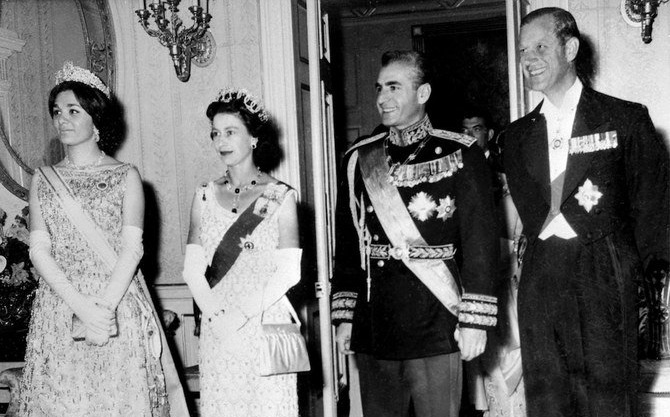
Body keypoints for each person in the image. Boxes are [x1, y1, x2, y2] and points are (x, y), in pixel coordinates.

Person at [504, 7, 669, 416]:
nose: (529, 59)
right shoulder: (516, 136)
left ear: (571, 47)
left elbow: (653, 206)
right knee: (547, 402)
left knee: (610, 404)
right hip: (541, 279)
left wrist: (637, 277)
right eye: (524, 50)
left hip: (605, 272)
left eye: (540, 46)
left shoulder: (624, 118)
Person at [331, 50, 499, 417]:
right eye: (379, 88)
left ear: (422, 94)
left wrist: (474, 321)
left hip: (436, 321)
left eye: (394, 87)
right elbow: (348, 247)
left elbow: (480, 244)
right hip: (377, 323)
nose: (381, 98)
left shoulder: (461, 154)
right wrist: (346, 317)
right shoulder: (359, 159)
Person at [20, 62, 187, 416]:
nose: (62, 119)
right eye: (57, 112)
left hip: (116, 304)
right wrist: (80, 307)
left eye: (73, 111)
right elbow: (39, 249)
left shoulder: (126, 176)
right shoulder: (43, 179)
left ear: (96, 119)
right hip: (61, 306)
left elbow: (132, 249)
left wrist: (103, 309)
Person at [182, 88, 302, 417]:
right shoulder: (204, 196)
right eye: (215, 133)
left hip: (263, 321)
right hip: (218, 324)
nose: (221, 141)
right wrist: (219, 318)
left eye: (231, 132)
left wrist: (240, 315)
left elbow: (290, 272)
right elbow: (192, 270)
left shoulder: (280, 196)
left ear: (253, 138)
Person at [461, 107, 527, 417]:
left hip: (507, 274)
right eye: (465, 129)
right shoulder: (455, 168)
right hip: (475, 278)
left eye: (475, 128)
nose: (469, 135)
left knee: (511, 348)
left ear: (487, 133)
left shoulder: (504, 176)